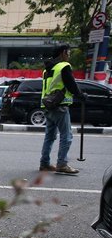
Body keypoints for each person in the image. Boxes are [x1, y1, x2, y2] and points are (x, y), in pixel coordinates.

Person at [39, 44, 86, 174]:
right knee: (67, 136)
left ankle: (44, 163)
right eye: (68, 52)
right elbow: (71, 85)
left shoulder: (47, 69)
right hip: (60, 106)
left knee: (49, 137)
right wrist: (81, 95)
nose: (69, 55)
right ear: (63, 53)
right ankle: (62, 164)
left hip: (48, 106)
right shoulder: (64, 66)